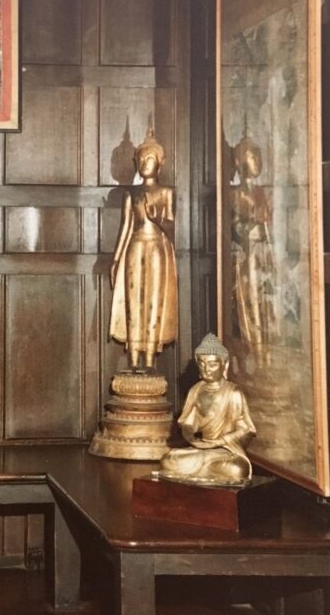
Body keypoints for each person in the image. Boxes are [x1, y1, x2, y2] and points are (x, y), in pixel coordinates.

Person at [109, 127, 177, 370]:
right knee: (134, 300)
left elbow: (172, 228)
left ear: (160, 162)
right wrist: (116, 260)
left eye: (150, 158)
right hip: (135, 248)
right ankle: (134, 358)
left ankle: (149, 358)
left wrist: (158, 219)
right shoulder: (132, 194)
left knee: (154, 300)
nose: (145, 163)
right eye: (141, 159)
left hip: (158, 248)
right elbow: (126, 228)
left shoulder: (167, 192)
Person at [159, 333, 256, 486]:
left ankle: (206, 468)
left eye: (212, 364)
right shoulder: (196, 390)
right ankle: (203, 468)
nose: (206, 369)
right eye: (202, 364)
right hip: (202, 449)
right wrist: (191, 438)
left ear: (224, 365)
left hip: (224, 451)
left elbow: (246, 429)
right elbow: (188, 423)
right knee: (170, 459)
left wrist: (219, 441)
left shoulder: (233, 393)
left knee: (236, 469)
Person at [230, 136, 276, 362]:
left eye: (258, 156)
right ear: (239, 162)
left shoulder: (261, 192)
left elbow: (269, 226)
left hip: (262, 253)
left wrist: (271, 253)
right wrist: (251, 224)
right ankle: (255, 351)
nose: (256, 161)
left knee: (267, 302)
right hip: (247, 254)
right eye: (251, 156)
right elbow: (234, 226)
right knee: (250, 303)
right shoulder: (236, 193)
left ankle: (267, 352)